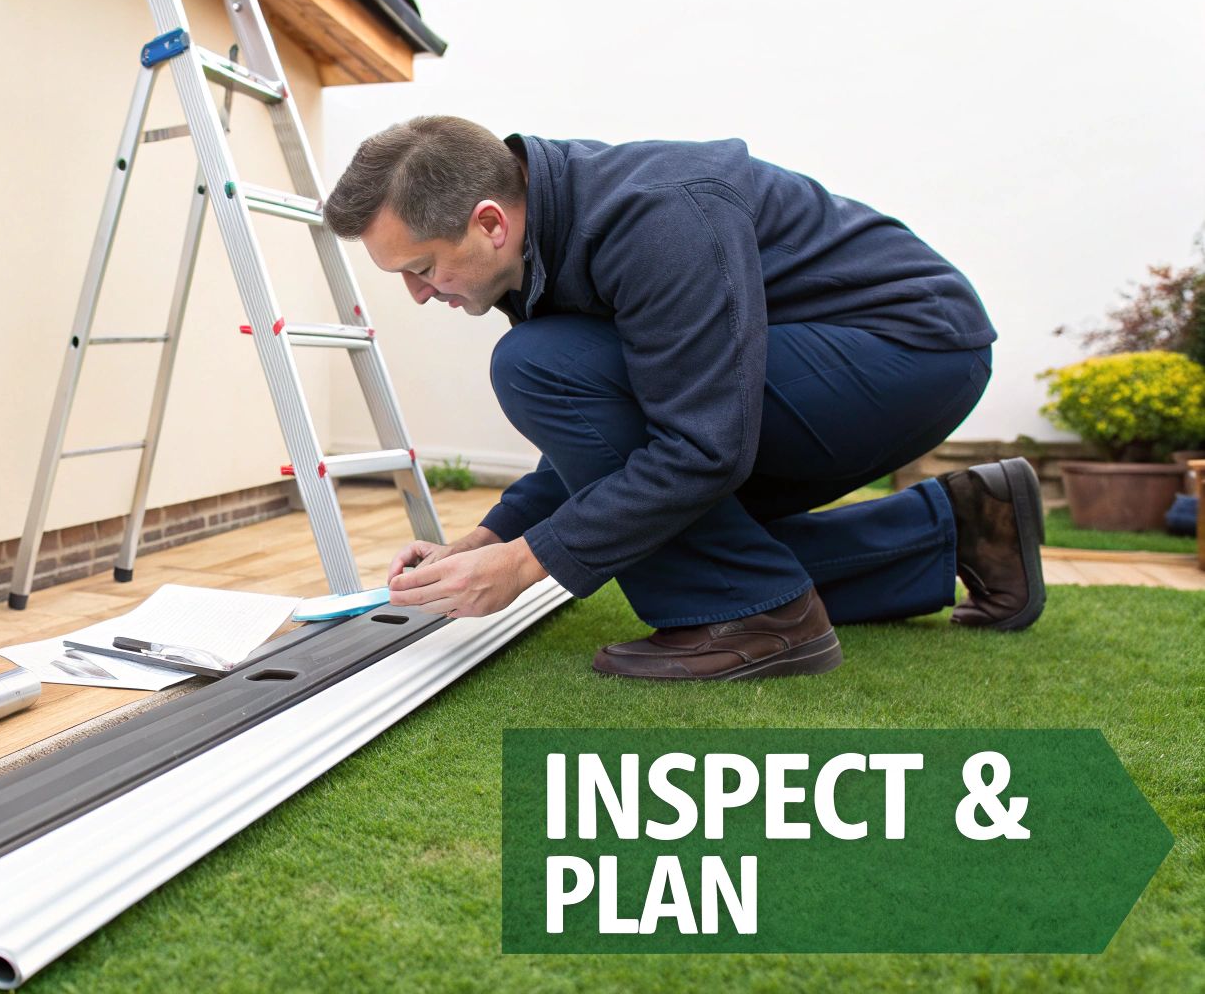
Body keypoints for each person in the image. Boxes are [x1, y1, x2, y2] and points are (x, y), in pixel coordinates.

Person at [322, 116, 1044, 681]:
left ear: (489, 223)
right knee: (678, 531)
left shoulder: (657, 219)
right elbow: (612, 434)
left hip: (909, 350)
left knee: (542, 372)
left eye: (421, 268)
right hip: (855, 353)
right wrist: (491, 538)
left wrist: (522, 565)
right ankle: (964, 526)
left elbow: (703, 444)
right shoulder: (550, 234)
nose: (419, 295)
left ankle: (759, 619)